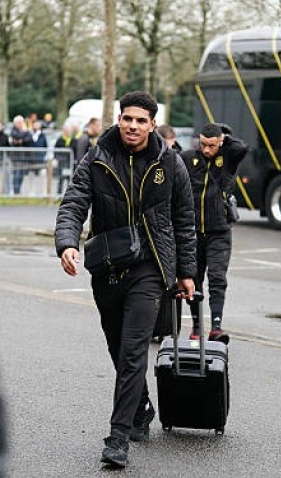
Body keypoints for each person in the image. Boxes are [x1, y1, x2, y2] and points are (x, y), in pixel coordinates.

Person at [55, 90, 197, 468]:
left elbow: (185, 221)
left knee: (134, 350)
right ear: (119, 119)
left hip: (150, 268)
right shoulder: (97, 157)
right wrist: (67, 243)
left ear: (153, 125)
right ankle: (142, 407)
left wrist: (186, 272)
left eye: (141, 120)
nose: (133, 126)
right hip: (107, 267)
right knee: (119, 349)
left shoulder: (171, 163)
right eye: (127, 118)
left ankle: (117, 439)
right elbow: (74, 203)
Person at [181, 122, 248, 343]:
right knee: (194, 279)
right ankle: (197, 326)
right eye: (203, 145)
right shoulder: (189, 158)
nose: (206, 150)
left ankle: (216, 327)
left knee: (217, 278)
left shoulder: (227, 159)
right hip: (192, 233)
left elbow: (242, 148)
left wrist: (224, 136)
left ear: (219, 143)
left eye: (211, 145)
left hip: (219, 231)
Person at [9, 115, 33, 194]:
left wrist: (21, 140)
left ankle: (18, 191)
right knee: (17, 174)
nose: (20, 124)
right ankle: (16, 192)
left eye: (21, 122)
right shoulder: (13, 130)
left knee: (21, 175)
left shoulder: (26, 130)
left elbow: (30, 138)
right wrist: (24, 134)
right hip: (16, 157)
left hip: (24, 157)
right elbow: (15, 135)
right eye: (18, 122)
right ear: (15, 123)